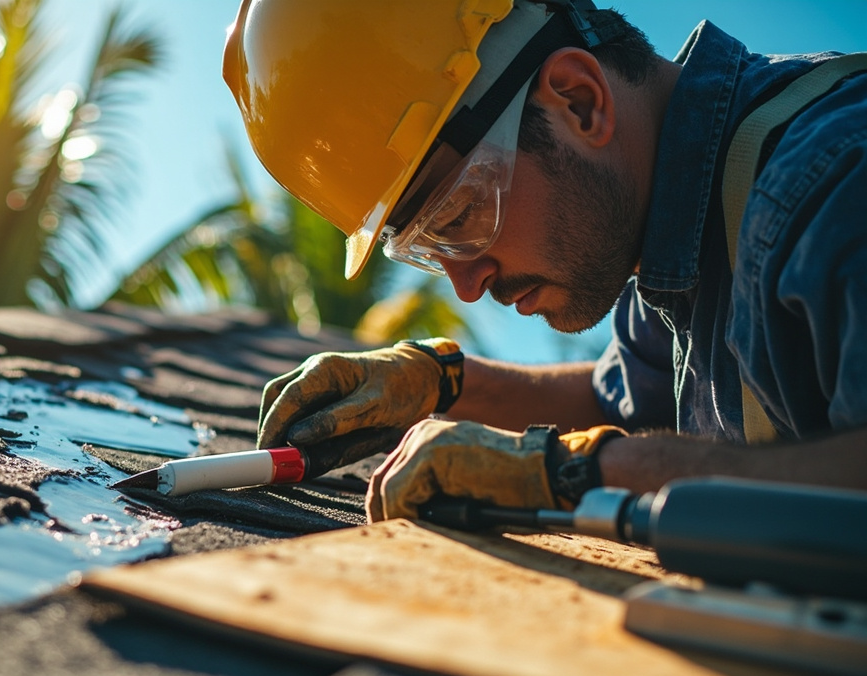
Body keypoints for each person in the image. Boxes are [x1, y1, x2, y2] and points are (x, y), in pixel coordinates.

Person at [222, 0, 867, 521]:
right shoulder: (667, 228)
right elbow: (616, 403)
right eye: (430, 250)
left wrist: (580, 472)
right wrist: (440, 383)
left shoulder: (831, 184)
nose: (467, 286)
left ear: (579, 101)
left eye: (460, 215)